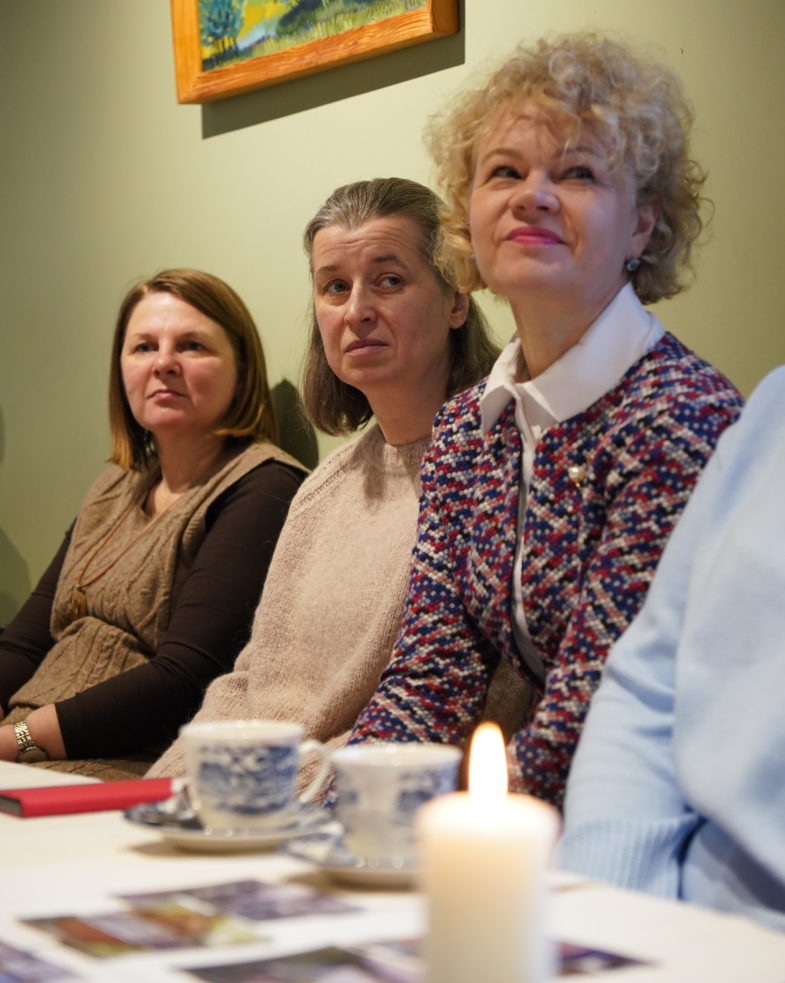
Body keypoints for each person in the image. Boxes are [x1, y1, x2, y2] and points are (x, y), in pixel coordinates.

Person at [348, 34, 743, 808]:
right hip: (524, 812)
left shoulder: (679, 416)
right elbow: (429, 676)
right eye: (503, 172)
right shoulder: (464, 429)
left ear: (641, 226)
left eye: (577, 173)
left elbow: (594, 706)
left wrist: (443, 833)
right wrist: (344, 810)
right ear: (467, 214)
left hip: (667, 811)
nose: (531, 196)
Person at [149, 178, 501, 781]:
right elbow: (252, 680)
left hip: (350, 808)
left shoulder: (496, 470)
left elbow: (468, 709)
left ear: (456, 302)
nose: (357, 310)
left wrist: (276, 797)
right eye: (335, 286)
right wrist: (170, 788)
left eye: (389, 280)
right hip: (247, 797)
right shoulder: (323, 488)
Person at [0, 269, 305, 778]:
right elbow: (24, 643)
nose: (164, 363)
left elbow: (185, 680)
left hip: (119, 769)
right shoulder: (115, 486)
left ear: (242, 371)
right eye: (144, 347)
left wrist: (19, 740)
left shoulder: (263, 486)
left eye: (191, 345)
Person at [559, 367, 785, 931]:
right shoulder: (774, 408)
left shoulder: (682, 410)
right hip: (670, 914)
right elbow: (648, 685)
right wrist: (603, 919)